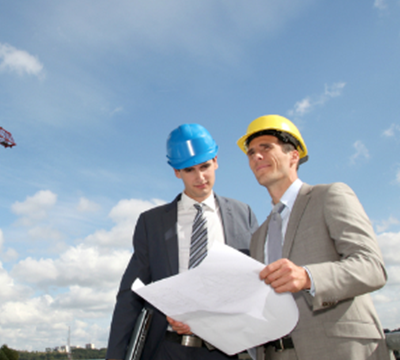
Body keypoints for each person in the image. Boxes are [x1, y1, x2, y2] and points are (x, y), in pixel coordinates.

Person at [237, 114, 389, 360]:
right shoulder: (258, 236)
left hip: (339, 350)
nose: (256, 157)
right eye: (251, 152)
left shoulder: (330, 196)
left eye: (266, 148)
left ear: (294, 156)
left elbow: (372, 267)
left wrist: (308, 277)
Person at [106, 124, 259, 360]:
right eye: (189, 170)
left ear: (216, 161)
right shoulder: (151, 223)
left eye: (205, 166)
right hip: (169, 349)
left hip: (228, 350)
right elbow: (130, 296)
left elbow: (255, 284)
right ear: (177, 172)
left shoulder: (243, 214)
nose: (200, 177)